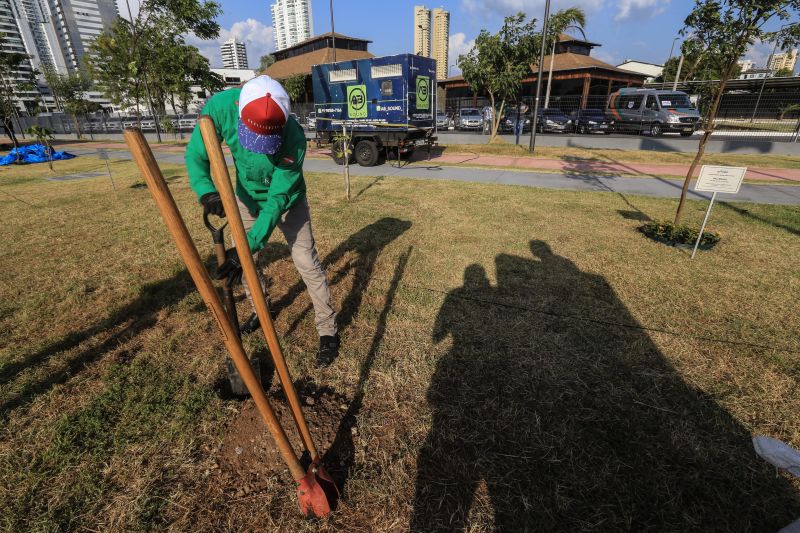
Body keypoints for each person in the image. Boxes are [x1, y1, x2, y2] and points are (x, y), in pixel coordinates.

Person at [185, 75, 339, 367]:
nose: (259, 148)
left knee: (307, 262)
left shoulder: (293, 138)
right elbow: (196, 154)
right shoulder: (220, 108)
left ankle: (328, 330)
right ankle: (260, 309)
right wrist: (206, 191)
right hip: (245, 199)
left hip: (288, 201)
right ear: (240, 112)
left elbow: (277, 199)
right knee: (249, 265)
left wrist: (250, 243)